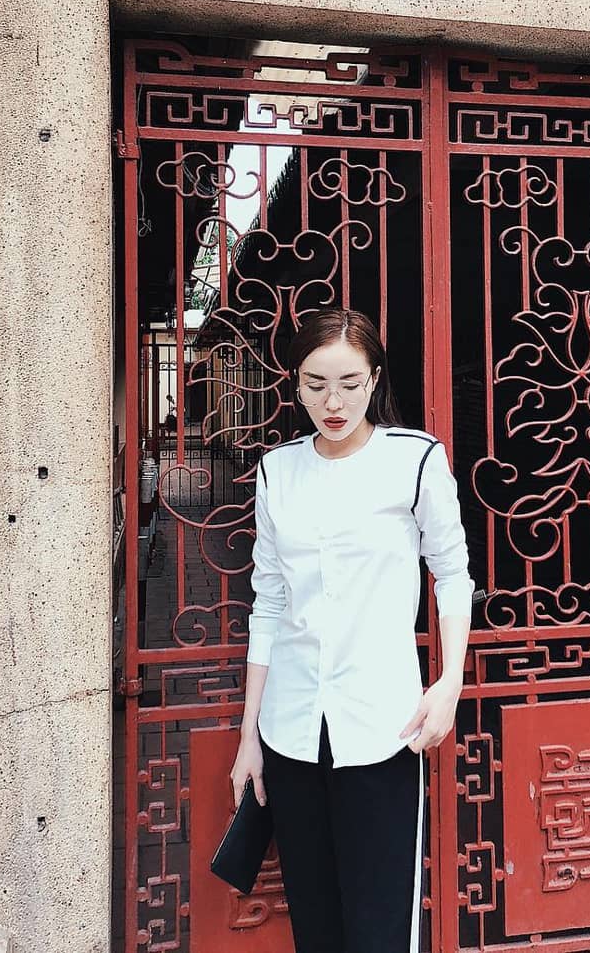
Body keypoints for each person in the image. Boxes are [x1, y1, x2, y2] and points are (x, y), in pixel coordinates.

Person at [230, 307, 474, 953]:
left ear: (374, 379)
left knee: (380, 928)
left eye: (348, 383)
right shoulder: (278, 472)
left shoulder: (414, 460)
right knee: (315, 926)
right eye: (316, 385)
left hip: (382, 729)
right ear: (296, 384)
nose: (332, 403)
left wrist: (449, 682)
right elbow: (268, 603)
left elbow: (452, 574)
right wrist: (250, 735)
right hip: (291, 732)